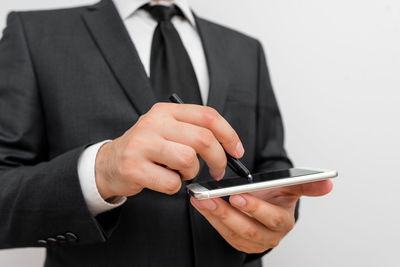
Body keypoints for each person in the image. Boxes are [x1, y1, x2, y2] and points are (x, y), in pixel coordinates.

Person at [0, 0, 332, 266]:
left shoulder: (246, 49)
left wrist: (272, 218)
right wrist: (99, 171)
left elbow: (272, 165)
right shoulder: (34, 33)